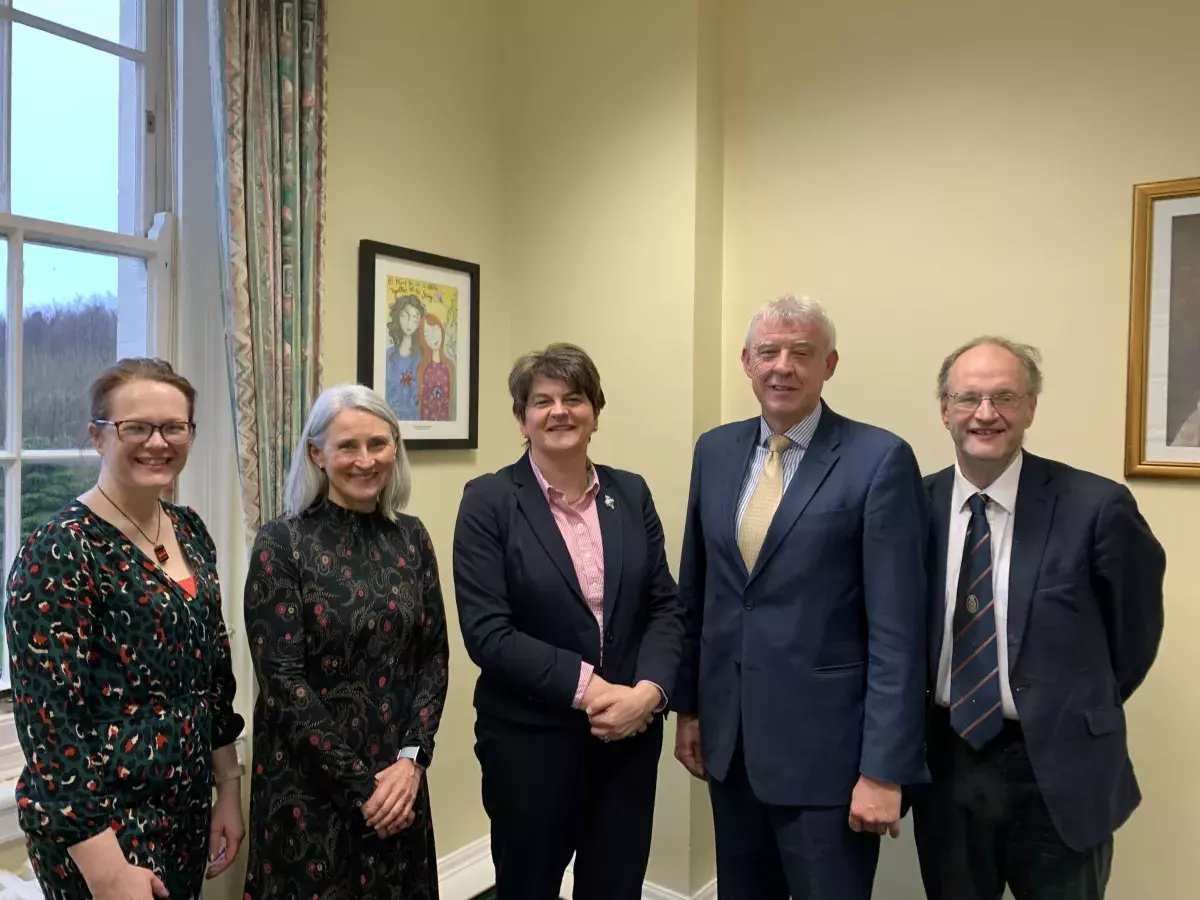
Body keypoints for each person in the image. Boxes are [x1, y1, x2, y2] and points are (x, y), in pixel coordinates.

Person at [673, 295, 928, 900]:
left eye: (801, 353)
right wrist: (689, 709)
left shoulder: (878, 459)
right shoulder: (715, 450)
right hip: (731, 749)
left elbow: (898, 630)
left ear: (829, 365)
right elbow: (699, 589)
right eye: (769, 352)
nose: (782, 366)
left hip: (830, 761)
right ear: (746, 362)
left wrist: (883, 769)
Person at [913, 336, 1166, 900]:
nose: (986, 413)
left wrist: (1068, 702)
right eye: (968, 398)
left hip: (1060, 765)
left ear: (1030, 407)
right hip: (948, 762)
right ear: (944, 409)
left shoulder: (1096, 506)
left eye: (1005, 396)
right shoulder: (912, 505)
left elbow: (1134, 634)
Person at [4, 357, 244, 900]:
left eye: (174, 427)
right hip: (99, 825)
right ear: (97, 435)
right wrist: (107, 869)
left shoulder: (189, 529)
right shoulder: (60, 551)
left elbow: (215, 671)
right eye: (135, 426)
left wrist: (227, 785)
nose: (158, 442)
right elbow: (50, 728)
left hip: (184, 806)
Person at [452, 343, 685, 900]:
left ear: (595, 412)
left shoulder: (631, 493)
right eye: (542, 401)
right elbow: (489, 633)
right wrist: (594, 689)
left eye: (574, 398)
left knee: (615, 887)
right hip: (531, 746)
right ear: (522, 418)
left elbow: (664, 606)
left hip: (627, 739)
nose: (559, 411)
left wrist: (649, 693)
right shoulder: (487, 501)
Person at [242, 384, 449, 899]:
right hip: (309, 789)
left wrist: (410, 761)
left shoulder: (412, 537)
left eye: (378, 444)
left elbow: (434, 656)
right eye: (347, 446)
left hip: (400, 784)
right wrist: (363, 788)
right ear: (317, 453)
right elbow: (282, 682)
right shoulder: (281, 542)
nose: (365, 460)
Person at [385, 293, 425, 420]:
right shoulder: (388, 357)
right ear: (398, 317)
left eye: (414, 317)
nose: (409, 323)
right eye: (405, 316)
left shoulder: (422, 358)